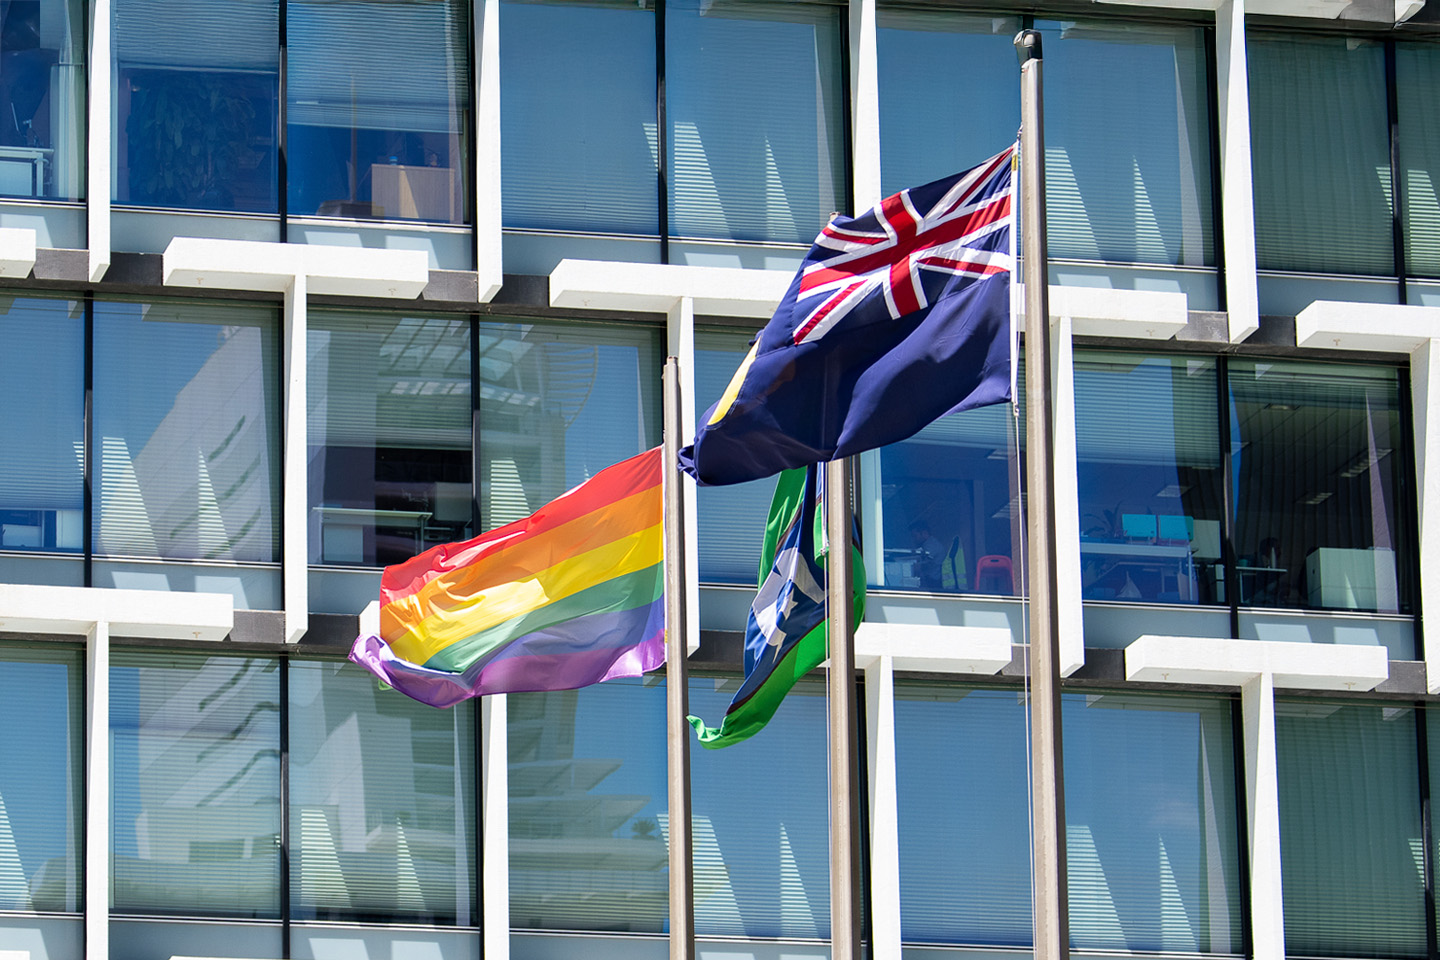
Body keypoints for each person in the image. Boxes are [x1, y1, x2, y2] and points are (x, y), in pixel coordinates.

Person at [909, 519, 945, 592]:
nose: (914, 539)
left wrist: (908, 567)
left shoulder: (932, 546)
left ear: (924, 533)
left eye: (915, 536)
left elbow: (924, 564)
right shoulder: (926, 545)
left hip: (934, 584)